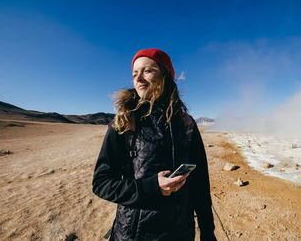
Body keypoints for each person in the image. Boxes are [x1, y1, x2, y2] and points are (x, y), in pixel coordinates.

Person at [92, 48, 217, 241]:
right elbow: (102, 183)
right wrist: (151, 187)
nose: (138, 79)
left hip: (180, 233)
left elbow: (200, 184)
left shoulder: (187, 124)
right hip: (133, 234)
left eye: (147, 71)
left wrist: (208, 233)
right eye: (135, 74)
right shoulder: (125, 121)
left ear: (166, 76)